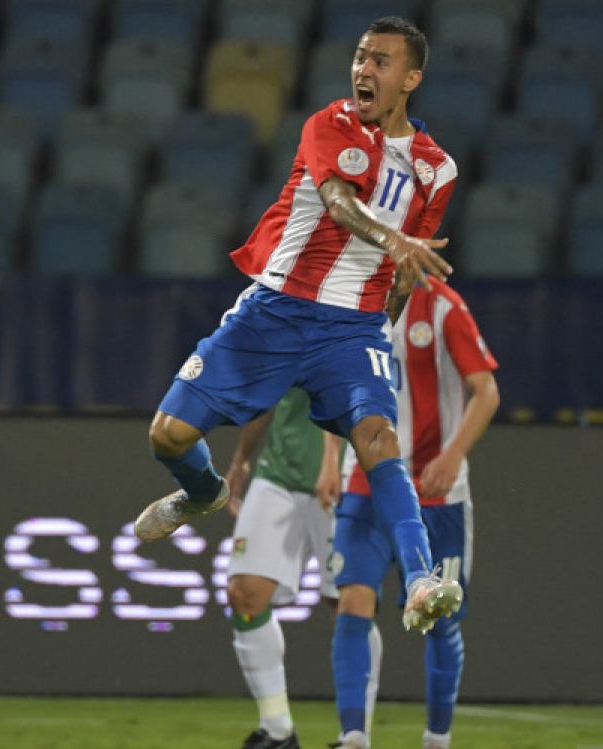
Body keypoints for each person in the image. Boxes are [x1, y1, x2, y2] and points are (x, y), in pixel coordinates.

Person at [133, 16, 462, 635]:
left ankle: (420, 579)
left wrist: (382, 336)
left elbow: (403, 274)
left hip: (353, 329)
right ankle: (202, 493)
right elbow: (338, 202)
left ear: (412, 78)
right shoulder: (330, 125)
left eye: (382, 62)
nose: (365, 69)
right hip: (275, 311)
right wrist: (395, 240)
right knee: (167, 436)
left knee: (379, 439)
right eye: (361, 57)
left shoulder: (436, 170)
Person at [319, 276, 500, 749]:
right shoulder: (355, 298)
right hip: (366, 481)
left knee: (440, 615)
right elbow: (336, 388)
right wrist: (330, 459)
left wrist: (454, 453)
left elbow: (486, 390)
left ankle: (437, 743)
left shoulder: (442, 307)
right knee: (353, 599)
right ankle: (355, 741)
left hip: (437, 491)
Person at [213, 387, 384, 749]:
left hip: (345, 476)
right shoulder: (276, 327)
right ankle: (276, 731)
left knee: (350, 604)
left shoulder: (356, 326)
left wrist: (329, 461)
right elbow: (267, 394)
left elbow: (344, 394)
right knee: (245, 595)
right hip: (278, 474)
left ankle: (356, 741)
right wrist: (242, 458)